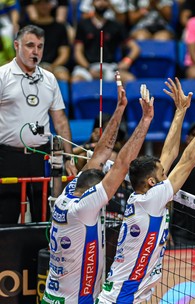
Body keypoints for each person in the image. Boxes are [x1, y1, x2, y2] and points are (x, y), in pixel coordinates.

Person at [97, 83, 195, 303]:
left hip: (122, 295)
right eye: (163, 174)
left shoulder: (144, 195)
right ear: (152, 182)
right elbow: (188, 161)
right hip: (122, 298)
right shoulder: (152, 199)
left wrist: (180, 111)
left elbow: (170, 153)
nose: (167, 174)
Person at [42, 72, 156, 303]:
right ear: (90, 194)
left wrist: (120, 108)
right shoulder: (82, 209)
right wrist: (145, 120)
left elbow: (100, 154)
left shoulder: (70, 193)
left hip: (54, 297)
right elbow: (122, 165)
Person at [0, 25, 77, 224]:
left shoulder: (49, 79)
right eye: (30, 45)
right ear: (16, 45)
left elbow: (60, 121)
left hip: (41, 157)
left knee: (42, 216)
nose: (35, 51)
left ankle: (39, 255)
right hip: (8, 157)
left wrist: (69, 158)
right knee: (6, 215)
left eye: (40, 46)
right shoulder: (3, 76)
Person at [71, 0, 140, 83]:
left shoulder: (116, 25)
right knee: (76, 80)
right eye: (98, 1)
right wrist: (88, 68)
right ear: (92, 3)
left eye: (105, 1)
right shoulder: (83, 24)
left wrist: (126, 61)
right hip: (88, 67)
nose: (101, 3)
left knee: (129, 79)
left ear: (109, 3)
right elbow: (78, 52)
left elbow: (135, 48)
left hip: (110, 67)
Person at [24, 0, 71, 82]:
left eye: (46, 3)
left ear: (51, 5)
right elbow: (24, 53)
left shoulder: (60, 27)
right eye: (40, 3)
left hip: (55, 66)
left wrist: (52, 67)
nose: (43, 6)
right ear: (35, 6)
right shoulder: (27, 28)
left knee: (63, 76)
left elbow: (64, 53)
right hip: (32, 66)